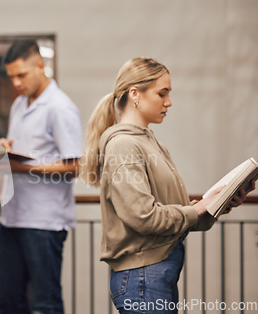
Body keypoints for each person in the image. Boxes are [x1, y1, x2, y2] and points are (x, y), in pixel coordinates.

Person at [80, 57, 255, 313]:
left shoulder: (149, 143)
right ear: (135, 94)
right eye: (162, 93)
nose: (168, 102)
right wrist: (197, 209)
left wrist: (218, 203)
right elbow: (144, 216)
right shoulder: (123, 145)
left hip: (153, 276)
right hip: (142, 279)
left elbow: (176, 214)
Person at [0, 39, 83, 314]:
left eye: (21, 75)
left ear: (41, 66)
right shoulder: (19, 104)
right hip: (11, 217)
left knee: (45, 304)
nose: (17, 83)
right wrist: (5, 149)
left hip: (44, 222)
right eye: (12, 77)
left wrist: (24, 167)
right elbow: (21, 147)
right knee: (9, 302)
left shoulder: (60, 107)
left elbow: (74, 167)